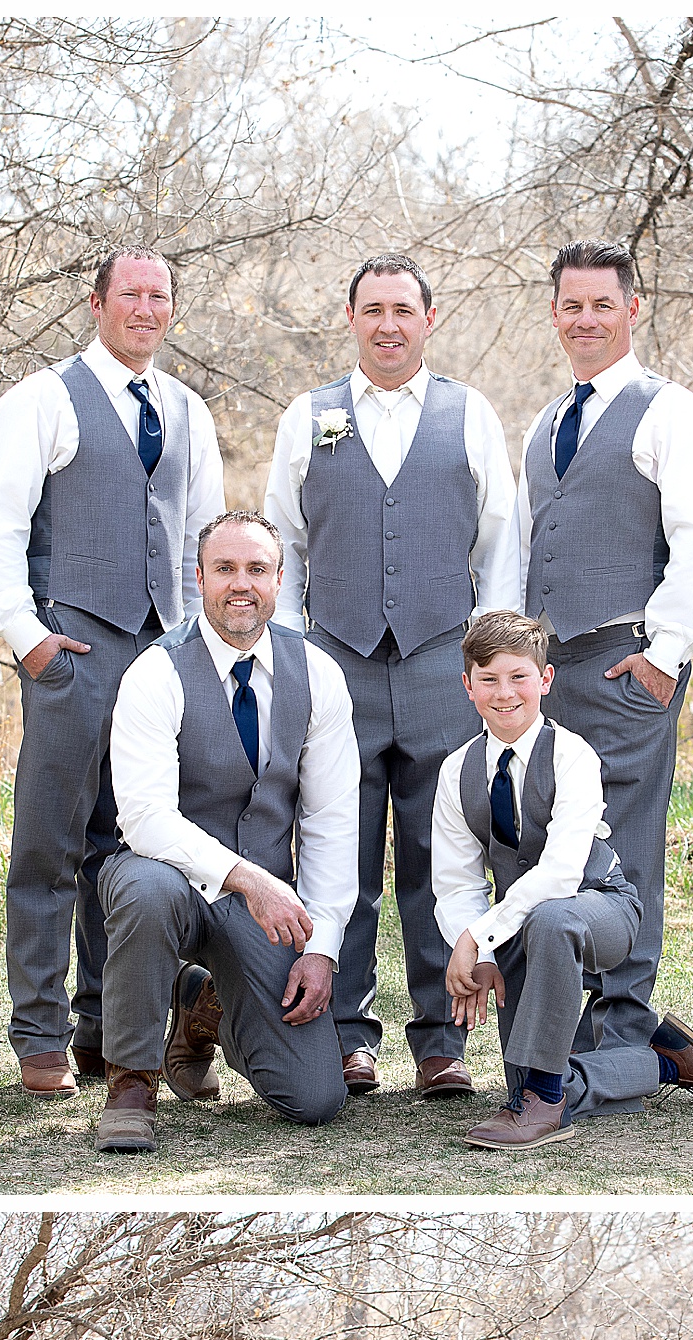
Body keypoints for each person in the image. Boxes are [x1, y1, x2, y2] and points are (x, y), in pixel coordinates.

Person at [264, 251, 517, 1097]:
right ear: (351, 319)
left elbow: (500, 546)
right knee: (340, 851)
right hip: (336, 666)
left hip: (442, 666)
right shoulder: (310, 415)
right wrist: (295, 654)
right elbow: (282, 545)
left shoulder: (469, 413)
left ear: (428, 319)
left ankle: (441, 1038)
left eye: (403, 310)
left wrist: (487, 659)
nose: (388, 324)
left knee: (439, 854)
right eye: (372, 309)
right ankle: (350, 1034)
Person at [0, 247, 226, 1095]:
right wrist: (28, 638)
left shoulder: (190, 410)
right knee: (50, 844)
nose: (145, 310)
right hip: (74, 649)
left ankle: (105, 1027)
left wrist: (200, 649)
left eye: (160, 297)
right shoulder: (43, 398)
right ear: (96, 304)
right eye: (130, 295)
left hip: (162, 658)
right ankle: (39, 1033)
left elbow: (204, 540)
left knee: (136, 850)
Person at [504, 242, 693, 1110]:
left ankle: (628, 1036)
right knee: (552, 845)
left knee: (624, 852)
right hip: (550, 673)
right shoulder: (543, 424)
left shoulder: (670, 412)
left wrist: (666, 654)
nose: (586, 320)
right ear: (555, 313)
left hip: (626, 660)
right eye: (572, 305)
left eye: (603, 304)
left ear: (632, 310)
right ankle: (576, 1039)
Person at [94, 510, 357, 1153]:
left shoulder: (317, 673)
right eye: (226, 569)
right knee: (146, 893)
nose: (241, 584)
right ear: (200, 577)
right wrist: (250, 881)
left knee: (315, 1097)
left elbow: (330, 820)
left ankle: (202, 1010)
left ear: (279, 578)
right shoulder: (155, 672)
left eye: (257, 570)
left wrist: (321, 945)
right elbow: (146, 816)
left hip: (263, 901)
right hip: (164, 875)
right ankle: (131, 1081)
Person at [435, 612, 693, 1149]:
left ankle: (544, 1100)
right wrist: (481, 952)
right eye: (488, 679)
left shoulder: (573, 755)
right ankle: (658, 1062)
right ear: (467, 686)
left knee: (554, 920)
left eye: (519, 677)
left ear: (546, 680)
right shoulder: (457, 770)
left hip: (600, 906)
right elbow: (456, 881)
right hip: (520, 923)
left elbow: (559, 875)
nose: (505, 693)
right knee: (531, 1075)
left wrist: (479, 936)